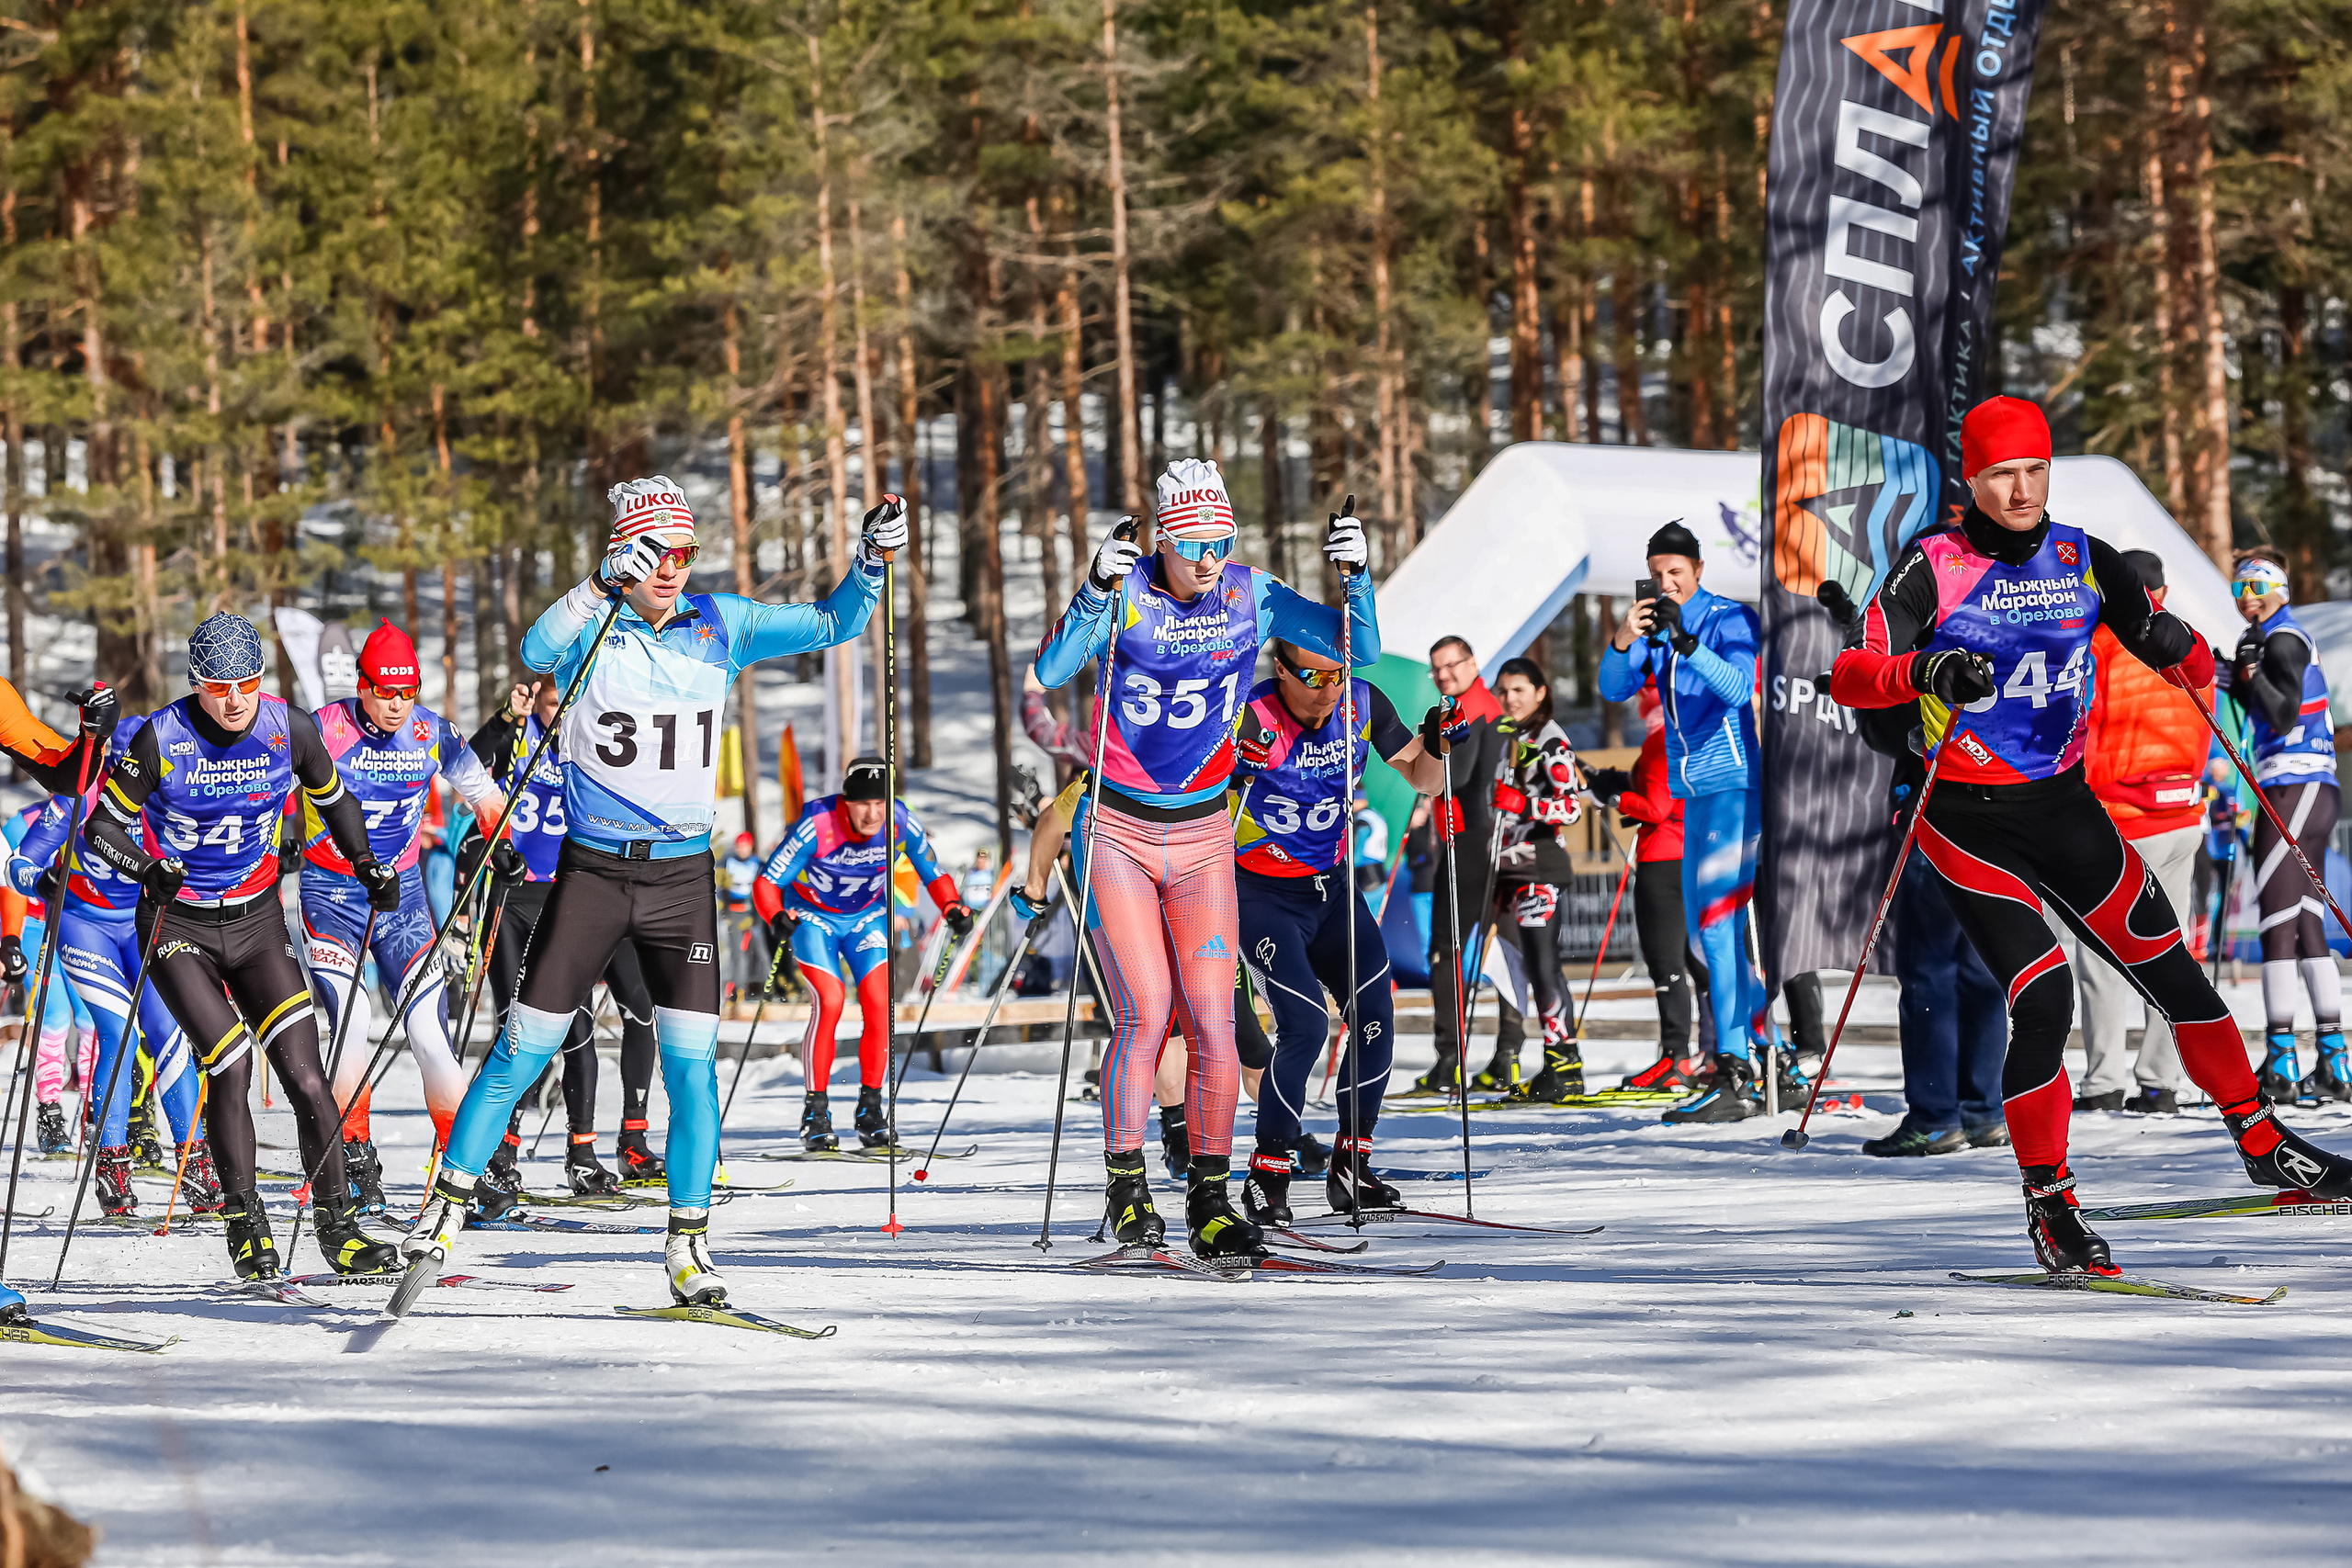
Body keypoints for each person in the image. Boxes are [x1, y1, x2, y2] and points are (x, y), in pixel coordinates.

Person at [1829, 394, 2352, 1273]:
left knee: (2175, 971)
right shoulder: (1934, 563)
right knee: (2043, 995)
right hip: (1967, 819)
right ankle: (2050, 1203)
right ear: (1971, 479)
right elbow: (1851, 673)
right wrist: (1927, 667)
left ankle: (2265, 1142)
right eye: (2002, 473)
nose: (2022, 489)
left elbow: (2172, 648)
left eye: (2035, 469)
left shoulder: (2082, 555)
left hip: (2065, 807)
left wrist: (2181, 645)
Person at [402, 479, 903, 1310]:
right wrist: (600, 582)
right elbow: (534, 649)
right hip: (593, 874)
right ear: (624, 554)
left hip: (680, 880)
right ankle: (443, 1212)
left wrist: (870, 560)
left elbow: (834, 622)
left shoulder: (721, 621)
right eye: (654, 553)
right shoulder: (593, 622)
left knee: (691, 1068)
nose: (670, 568)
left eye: (683, 552)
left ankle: (688, 1245)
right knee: (522, 1049)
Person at [1033, 458, 1374, 1261]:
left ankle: (1210, 1198)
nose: (1211, 558)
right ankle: (1126, 1187)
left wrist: (1357, 578)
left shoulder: (1251, 594)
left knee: (1217, 1020)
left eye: (1223, 540)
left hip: (1202, 835)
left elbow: (1356, 647)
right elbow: (1050, 671)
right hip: (1119, 831)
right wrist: (1092, 590)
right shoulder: (1129, 592)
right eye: (1193, 544)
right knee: (1148, 1010)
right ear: (1162, 538)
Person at [81, 612, 401, 1280]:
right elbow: (101, 828)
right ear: (196, 683)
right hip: (179, 927)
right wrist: (146, 868)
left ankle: (339, 1227)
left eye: (248, 683)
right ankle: (245, 1222)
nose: (235, 700)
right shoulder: (162, 736)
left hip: (257, 923)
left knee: (307, 1077)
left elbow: (335, 798)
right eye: (219, 686)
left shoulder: (290, 727)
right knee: (229, 1064)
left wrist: (367, 861)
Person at [1227, 639, 1450, 1223]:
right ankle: (1267, 1172)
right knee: (1304, 1026)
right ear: (1281, 670)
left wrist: (1438, 744)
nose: (1328, 691)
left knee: (1375, 1015)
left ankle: (1352, 1165)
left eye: (1337, 675)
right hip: (1263, 894)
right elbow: (1190, 794)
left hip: (1332, 890)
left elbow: (1426, 781)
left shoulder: (1361, 702)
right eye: (1314, 678)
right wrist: (1234, 767)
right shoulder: (1249, 711)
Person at [296, 620, 509, 1213]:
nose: (396, 704)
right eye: (385, 692)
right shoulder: (323, 728)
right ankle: (353, 1153)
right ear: (362, 686)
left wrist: (500, 841)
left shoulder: (430, 732)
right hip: (332, 893)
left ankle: (463, 1164)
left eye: (407, 692)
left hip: (404, 897)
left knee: (430, 1033)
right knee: (353, 1020)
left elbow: (483, 792)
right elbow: (264, 785)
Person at [1600, 521, 1776, 1123]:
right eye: (1656, 573)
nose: (1665, 582)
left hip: (1735, 785)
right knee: (1703, 940)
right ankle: (1771, 1053)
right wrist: (1625, 637)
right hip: (1693, 790)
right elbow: (1612, 687)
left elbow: (1740, 687)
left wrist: (1688, 642)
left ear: (1698, 570)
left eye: (1675, 571)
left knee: (1718, 929)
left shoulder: (1728, 617)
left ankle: (1736, 1065)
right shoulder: (1657, 625)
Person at [462, 678, 664, 1197]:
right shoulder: (520, 736)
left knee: (604, 1019)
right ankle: (500, 1153)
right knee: (518, 1027)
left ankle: (594, 1151)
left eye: (570, 702)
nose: (563, 711)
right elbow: (467, 766)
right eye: (554, 703)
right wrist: (507, 718)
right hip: (514, 898)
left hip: (579, 895)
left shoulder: (596, 739)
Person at [9, 739, 218, 1216]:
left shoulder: (171, 792)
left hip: (148, 924)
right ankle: (112, 1161)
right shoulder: (78, 797)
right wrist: (41, 881)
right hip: (85, 924)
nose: (129, 777)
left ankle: (195, 1160)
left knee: (168, 1032)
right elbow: (17, 865)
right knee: (117, 1032)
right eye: (121, 766)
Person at [752, 755, 973, 1150]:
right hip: (814, 917)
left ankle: (870, 1109)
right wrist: (776, 915)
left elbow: (933, 872)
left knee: (879, 1003)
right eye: (863, 805)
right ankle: (815, 1112)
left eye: (880, 803)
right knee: (831, 1000)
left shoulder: (900, 822)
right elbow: (767, 882)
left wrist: (952, 906)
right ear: (845, 802)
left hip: (866, 918)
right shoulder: (818, 825)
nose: (873, 814)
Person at [2064, 549, 2208, 1115]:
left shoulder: (2101, 646)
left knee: (2101, 954)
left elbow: (2084, 731)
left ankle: (2103, 1080)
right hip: (2183, 815)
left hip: (2123, 818)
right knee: (2171, 950)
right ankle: (2160, 1081)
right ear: (2163, 593)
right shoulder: (2186, 643)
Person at [1855, 699, 2008, 1156]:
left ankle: (1936, 1117)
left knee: (1929, 972)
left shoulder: (1929, 662)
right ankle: (1983, 1112)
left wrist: (1868, 699)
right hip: (1999, 813)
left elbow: (1888, 730)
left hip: (1940, 811)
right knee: (1979, 969)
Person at [2221, 550, 2344, 1103]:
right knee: (2308, 926)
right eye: (2238, 588)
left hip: (2294, 786)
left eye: (2257, 586)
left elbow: (2284, 712)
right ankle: (2334, 1059)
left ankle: (2281, 1059)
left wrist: (2248, 671)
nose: (2246, 597)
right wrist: (2234, 677)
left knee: (2277, 925)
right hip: (2312, 789)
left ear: (2281, 590)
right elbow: (2263, 699)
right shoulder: (2274, 639)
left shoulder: (2284, 638)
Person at [1585, 687, 1709, 1091]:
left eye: (1645, 693)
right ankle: (1711, 1054)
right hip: (1693, 855)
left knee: (1665, 963)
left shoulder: (1660, 740)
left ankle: (1675, 1057)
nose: (1639, 701)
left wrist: (1618, 797)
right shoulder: (1693, 732)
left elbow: (1656, 807)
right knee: (1698, 962)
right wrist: (1623, 784)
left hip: (1662, 858)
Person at [1413, 634, 1517, 1097]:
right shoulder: (1486, 705)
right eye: (1436, 668)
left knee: (1445, 949)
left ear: (1473, 663)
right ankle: (1507, 1054)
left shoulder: (1471, 709)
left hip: (1473, 841)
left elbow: (1458, 778)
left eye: (1451, 665)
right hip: (1497, 840)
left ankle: (1450, 1060)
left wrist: (1430, 750)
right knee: (1506, 947)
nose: (1443, 675)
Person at [1483, 657, 1587, 1100]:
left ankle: (1563, 1065)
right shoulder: (1515, 735)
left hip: (1539, 867)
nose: (1510, 698)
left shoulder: (1550, 738)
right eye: (1503, 691)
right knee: (1524, 965)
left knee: (1544, 966)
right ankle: (1555, 1063)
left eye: (1519, 690)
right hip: (1510, 870)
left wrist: (1525, 805)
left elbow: (1571, 806)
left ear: (1541, 692)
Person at [2, 799, 95, 1156]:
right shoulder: (22, 822)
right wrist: (9, 940)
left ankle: (93, 1109)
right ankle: (50, 1113)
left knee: (91, 1019)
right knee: (54, 1017)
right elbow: (6, 883)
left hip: (81, 925)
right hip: (35, 927)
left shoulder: (95, 814)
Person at [718, 830, 767, 1014]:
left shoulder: (758, 863)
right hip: (734, 913)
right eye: (739, 847)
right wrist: (724, 910)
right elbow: (722, 888)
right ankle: (737, 991)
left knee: (761, 951)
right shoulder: (728, 861)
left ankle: (767, 990)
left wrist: (758, 914)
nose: (742, 850)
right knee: (737, 953)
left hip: (753, 914)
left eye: (745, 847)